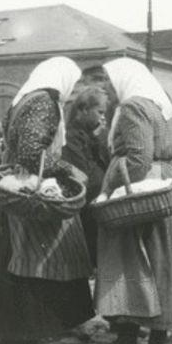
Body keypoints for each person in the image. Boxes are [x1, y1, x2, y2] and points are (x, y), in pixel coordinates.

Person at [0, 56, 95, 344]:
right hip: (33, 192)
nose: (73, 89)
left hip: (15, 189)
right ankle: (28, 340)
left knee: (10, 260)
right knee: (38, 260)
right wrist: (69, 170)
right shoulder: (45, 101)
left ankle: (9, 333)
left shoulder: (23, 99)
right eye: (73, 81)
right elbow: (32, 153)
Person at [89, 57, 172, 344]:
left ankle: (126, 343)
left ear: (124, 80)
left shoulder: (132, 107)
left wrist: (111, 191)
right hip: (163, 191)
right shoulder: (161, 107)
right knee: (162, 262)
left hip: (138, 197)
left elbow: (138, 159)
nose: (106, 88)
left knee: (129, 263)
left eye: (108, 81)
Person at [62, 87, 109, 266]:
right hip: (87, 203)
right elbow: (81, 172)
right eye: (100, 112)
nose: (102, 117)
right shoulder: (71, 136)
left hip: (97, 199)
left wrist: (99, 137)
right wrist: (97, 139)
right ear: (84, 110)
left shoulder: (90, 133)